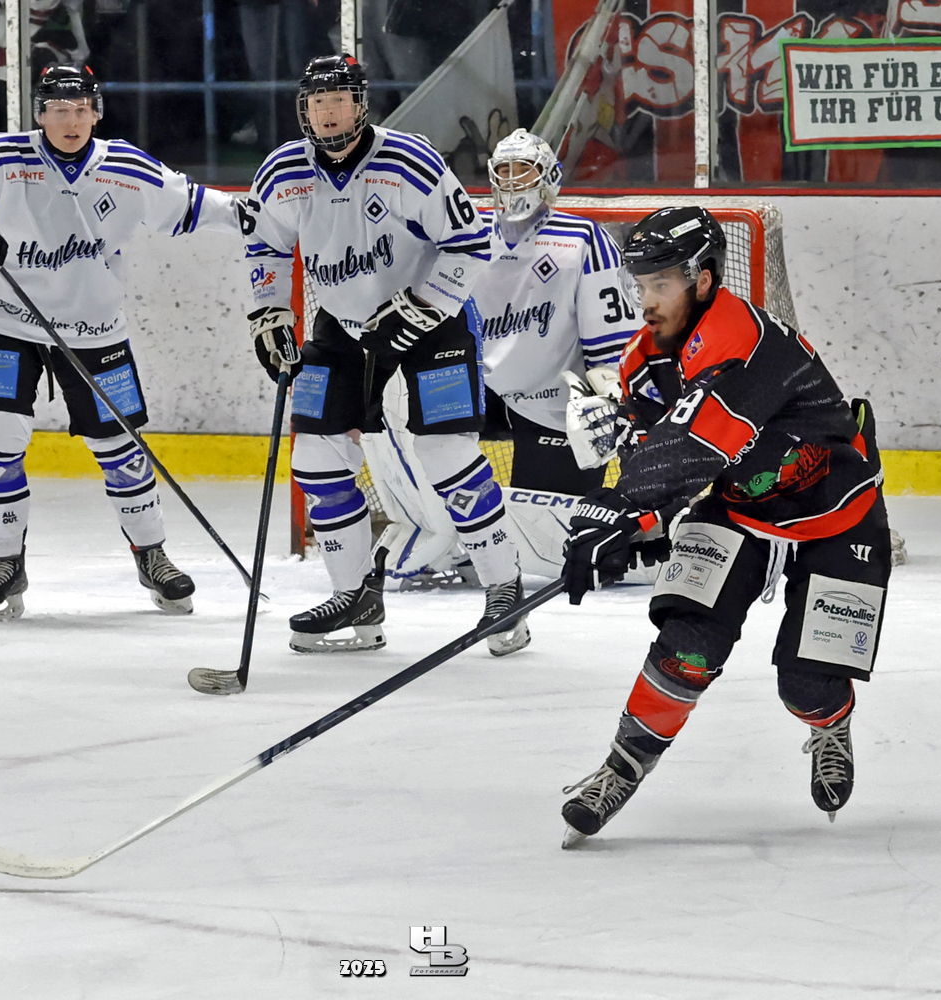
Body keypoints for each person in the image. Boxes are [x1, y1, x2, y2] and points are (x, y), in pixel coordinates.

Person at [557, 206, 892, 846]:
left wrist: (626, 512)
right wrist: (623, 516)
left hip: (836, 509)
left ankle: (831, 722)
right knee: (687, 645)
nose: (647, 301)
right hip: (741, 507)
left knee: (808, 683)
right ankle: (622, 767)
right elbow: (650, 446)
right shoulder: (646, 356)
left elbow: (692, 444)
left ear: (703, 279)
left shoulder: (743, 339)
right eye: (641, 285)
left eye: (661, 285)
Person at [0, 65, 237, 621]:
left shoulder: (126, 167)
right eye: (59, 110)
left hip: (94, 329)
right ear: (40, 114)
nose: (71, 121)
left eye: (81, 110)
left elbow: (195, 203)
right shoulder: (1, 157)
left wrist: (252, 214)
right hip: (3, 321)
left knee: (121, 448)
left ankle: (151, 553)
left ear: (96, 113)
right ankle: (5, 561)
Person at [243, 53, 528, 656]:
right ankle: (355, 597)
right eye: (317, 102)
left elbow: (471, 241)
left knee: (446, 453)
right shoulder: (283, 171)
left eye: (338, 100)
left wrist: (422, 305)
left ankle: (505, 591)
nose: (327, 113)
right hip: (343, 325)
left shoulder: (407, 161)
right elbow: (265, 248)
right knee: (316, 456)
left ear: (361, 105)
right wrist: (269, 313)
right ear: (303, 109)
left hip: (433, 322)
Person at [469, 128, 640, 495]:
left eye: (524, 169)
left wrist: (609, 394)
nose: (512, 180)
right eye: (505, 170)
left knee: (547, 520)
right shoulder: (469, 233)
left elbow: (613, 337)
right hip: (478, 392)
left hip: (555, 404)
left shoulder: (582, 239)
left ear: (550, 176)